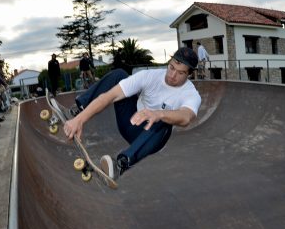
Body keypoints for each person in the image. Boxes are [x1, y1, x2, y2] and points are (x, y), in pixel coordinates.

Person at [64, 47, 201, 179]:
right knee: (119, 74)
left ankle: (120, 165)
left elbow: (186, 116)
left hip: (151, 138)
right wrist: (80, 120)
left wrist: (159, 114)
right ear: (169, 63)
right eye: (171, 67)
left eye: (180, 73)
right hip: (131, 122)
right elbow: (109, 96)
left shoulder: (190, 93)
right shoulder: (149, 76)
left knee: (164, 120)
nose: (172, 75)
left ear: (189, 74)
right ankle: (78, 110)